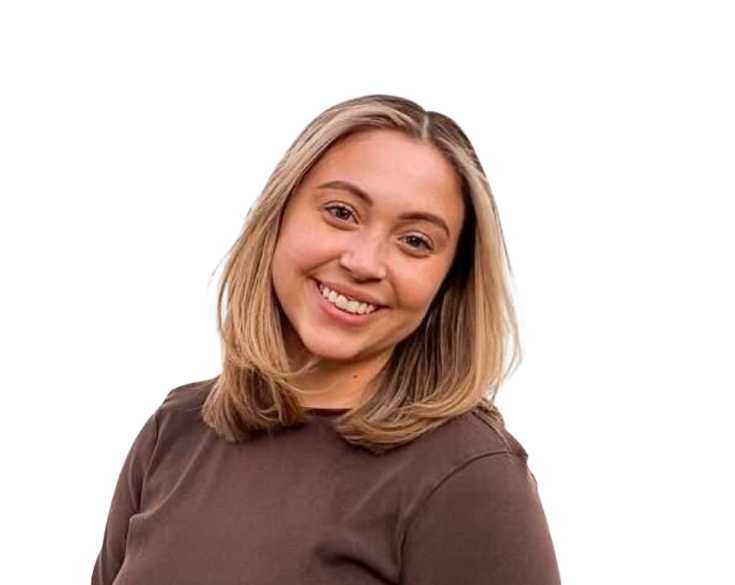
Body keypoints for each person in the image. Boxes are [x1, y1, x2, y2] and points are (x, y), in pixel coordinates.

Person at [91, 94, 562, 584]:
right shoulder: (178, 430)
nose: (363, 262)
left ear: (450, 281)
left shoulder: (470, 477)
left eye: (415, 241)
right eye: (341, 212)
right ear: (277, 214)